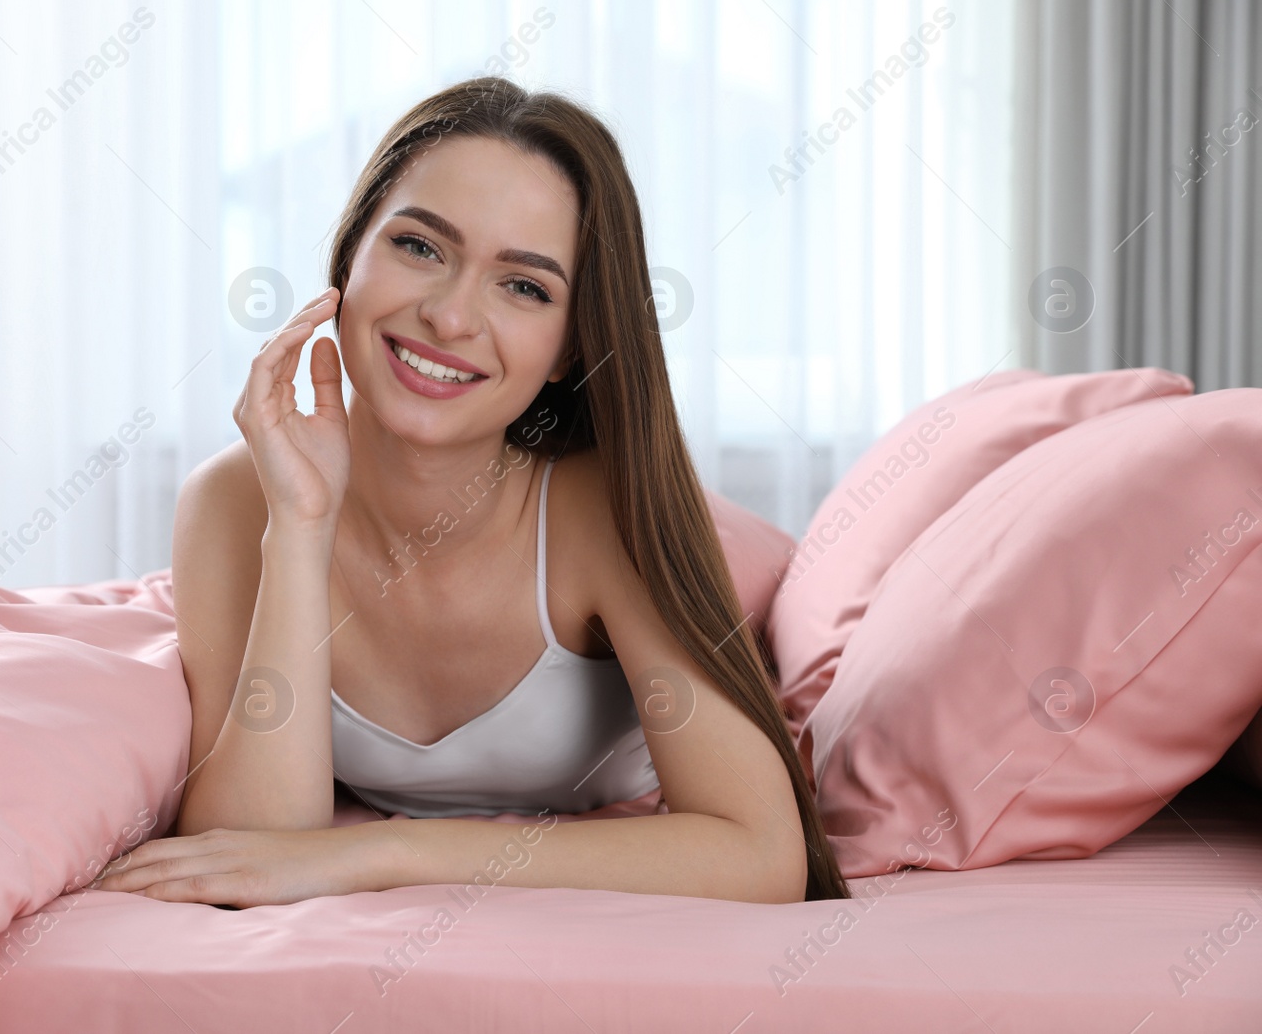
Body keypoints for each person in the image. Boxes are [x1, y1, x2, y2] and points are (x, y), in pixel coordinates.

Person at [96, 76, 850, 906]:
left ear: (569, 347)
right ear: (350, 255)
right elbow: (245, 850)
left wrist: (381, 855)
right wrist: (301, 526)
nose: (450, 318)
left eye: (523, 286)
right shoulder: (238, 501)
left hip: (723, 555)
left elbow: (761, 850)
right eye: (419, 246)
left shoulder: (603, 511)